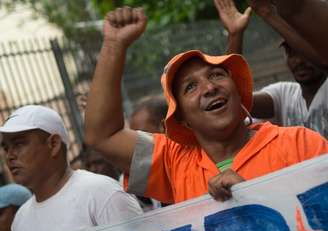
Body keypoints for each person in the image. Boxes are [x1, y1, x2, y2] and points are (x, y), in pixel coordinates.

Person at [84, 7, 328, 205]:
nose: (209, 88)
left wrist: (256, 198)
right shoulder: (172, 162)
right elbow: (103, 135)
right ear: (182, 119)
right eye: (190, 87)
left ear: (238, 91)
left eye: (217, 75)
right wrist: (114, 45)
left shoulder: (300, 143)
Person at [0, 105, 142, 231]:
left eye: (18, 144)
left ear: (53, 144)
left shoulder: (102, 194)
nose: (9, 156)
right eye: (5, 148)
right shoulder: (20, 220)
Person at [214, 0, 328, 139]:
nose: (298, 61)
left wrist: (266, 11)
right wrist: (235, 35)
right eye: (290, 52)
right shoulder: (285, 95)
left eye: (302, 51)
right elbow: (237, 100)